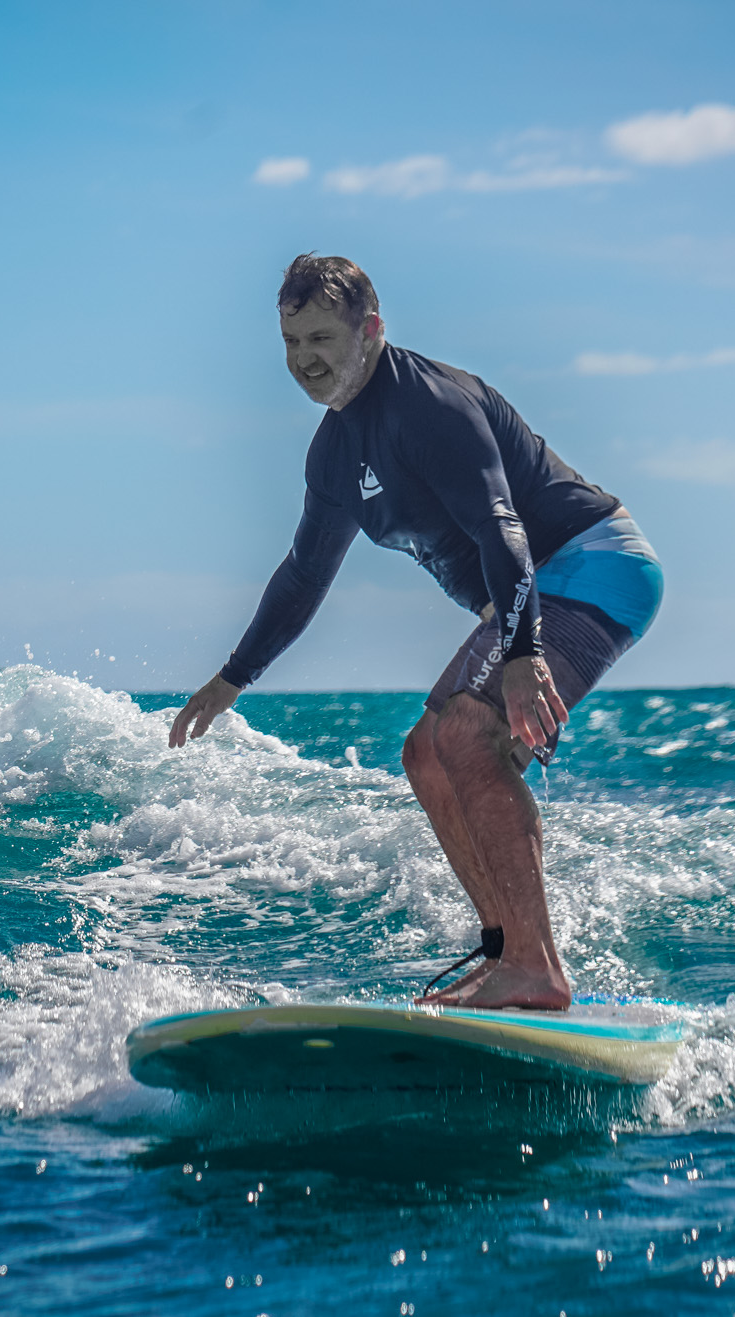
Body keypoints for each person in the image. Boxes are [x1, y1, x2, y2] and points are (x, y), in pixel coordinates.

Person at [167, 254, 663, 1011]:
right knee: (427, 753)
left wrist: (525, 654)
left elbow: (503, 531)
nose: (306, 361)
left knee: (467, 735)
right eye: (292, 343)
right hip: (528, 592)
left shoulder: (432, 405)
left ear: (371, 330)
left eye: (322, 340)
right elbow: (305, 572)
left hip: (590, 562)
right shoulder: (335, 453)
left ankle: (537, 967)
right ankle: (506, 955)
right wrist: (234, 674)